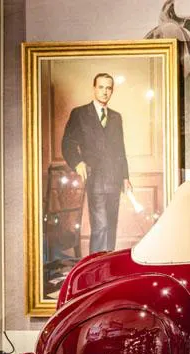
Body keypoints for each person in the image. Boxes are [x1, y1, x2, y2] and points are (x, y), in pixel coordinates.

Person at [61, 72, 132, 254]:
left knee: (111, 227)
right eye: (101, 87)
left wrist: (125, 177)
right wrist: (78, 163)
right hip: (95, 180)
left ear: (112, 91)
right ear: (94, 89)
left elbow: (120, 150)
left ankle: (108, 269)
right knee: (100, 226)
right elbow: (68, 143)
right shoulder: (79, 114)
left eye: (109, 88)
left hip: (114, 180)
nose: (105, 92)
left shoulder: (116, 117)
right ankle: (96, 271)